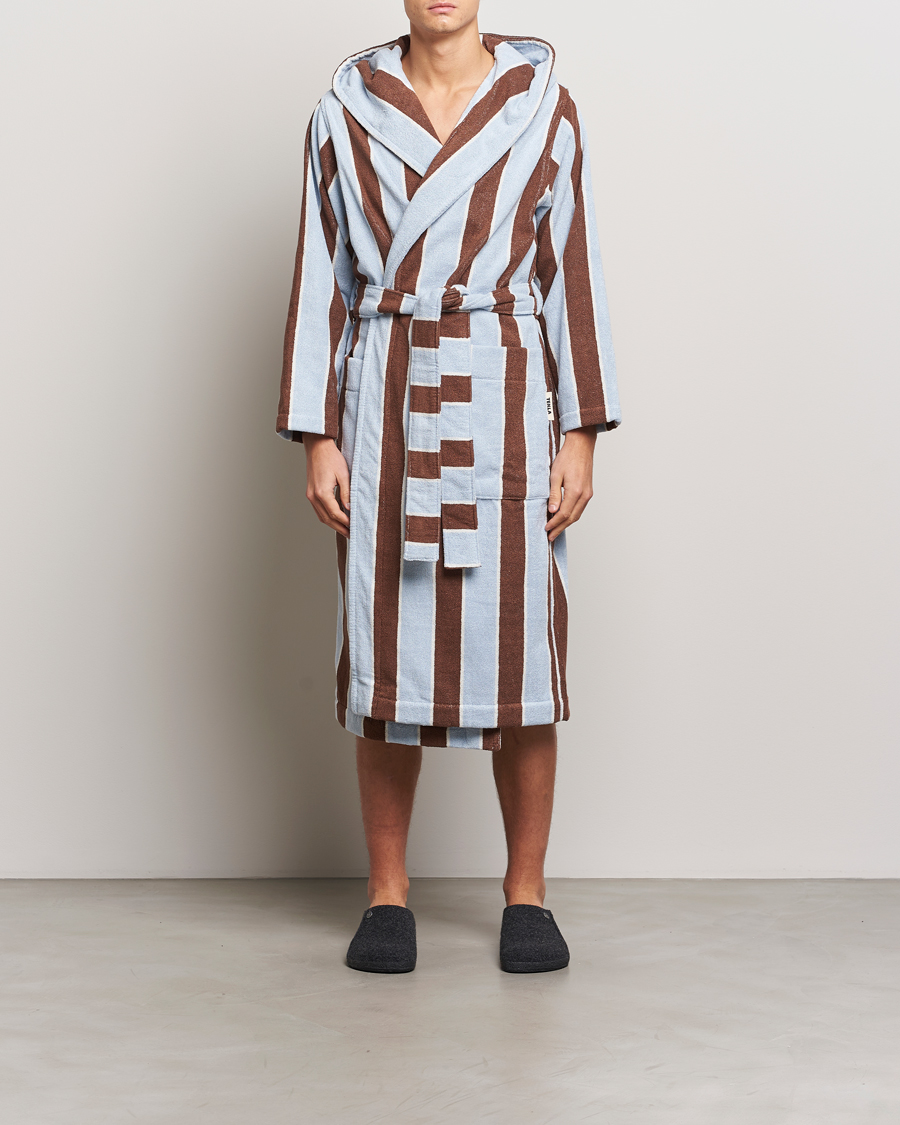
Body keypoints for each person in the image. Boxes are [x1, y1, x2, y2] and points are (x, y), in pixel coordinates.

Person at [277, 0, 620, 974]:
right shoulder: (345, 110)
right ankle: (388, 895)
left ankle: (527, 895)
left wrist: (581, 430)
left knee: (522, 653)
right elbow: (322, 274)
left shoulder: (543, 106)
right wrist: (318, 433)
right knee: (386, 654)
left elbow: (572, 269)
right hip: (386, 401)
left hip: (505, 397)